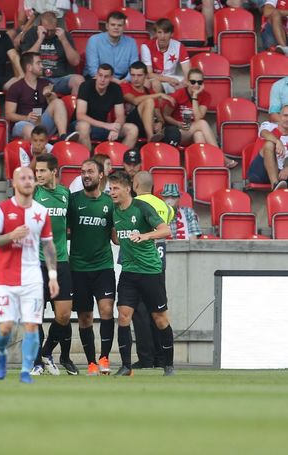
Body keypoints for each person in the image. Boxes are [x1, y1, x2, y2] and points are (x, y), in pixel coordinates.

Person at [0, 166, 59, 384]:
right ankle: (1, 355)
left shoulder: (41, 212)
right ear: (14, 183)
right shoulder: (1, 209)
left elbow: (48, 245)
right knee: (5, 328)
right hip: (5, 277)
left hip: (32, 277)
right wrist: (11, 235)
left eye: (31, 177)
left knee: (31, 325)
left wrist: (53, 275)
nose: (29, 181)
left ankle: (26, 370)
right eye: (23, 178)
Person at [109, 170, 175, 377]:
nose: (112, 192)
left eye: (116, 188)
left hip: (150, 272)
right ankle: (126, 366)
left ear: (128, 189)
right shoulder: (113, 210)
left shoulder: (142, 207)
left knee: (160, 318)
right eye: (110, 188)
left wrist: (145, 236)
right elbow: (117, 239)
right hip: (129, 272)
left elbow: (166, 231)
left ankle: (169, 365)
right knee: (123, 316)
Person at [67, 158, 115, 375]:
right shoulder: (73, 201)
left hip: (103, 266)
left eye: (90, 171)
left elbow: (116, 238)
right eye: (83, 171)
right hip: (78, 268)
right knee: (84, 317)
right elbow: (63, 229)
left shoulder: (110, 203)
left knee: (106, 311)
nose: (86, 175)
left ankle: (105, 358)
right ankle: (91, 362)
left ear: (100, 175)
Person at [30, 154, 75, 376]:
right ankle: (37, 362)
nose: (38, 175)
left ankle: (47, 352)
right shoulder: (33, 194)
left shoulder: (66, 194)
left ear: (54, 172)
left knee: (64, 315)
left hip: (61, 262)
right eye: (36, 171)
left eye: (42, 171)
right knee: (36, 315)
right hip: (37, 261)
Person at [132, 171, 173, 370]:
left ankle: (146, 358)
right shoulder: (164, 206)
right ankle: (162, 357)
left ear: (136, 184)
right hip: (159, 261)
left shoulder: (134, 204)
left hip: (137, 260)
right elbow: (166, 226)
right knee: (158, 312)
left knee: (140, 313)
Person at [163, 68, 238, 168]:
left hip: (193, 130)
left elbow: (198, 117)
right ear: (187, 82)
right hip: (179, 132)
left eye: (199, 82)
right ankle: (221, 157)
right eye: (193, 82)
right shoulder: (179, 94)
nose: (196, 85)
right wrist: (178, 123)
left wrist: (195, 96)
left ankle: (204, 168)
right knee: (202, 124)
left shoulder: (206, 96)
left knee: (199, 135)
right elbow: (166, 115)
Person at [5, 52, 73, 141]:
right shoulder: (16, 87)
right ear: (29, 67)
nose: (42, 66)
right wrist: (25, 117)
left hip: (41, 122)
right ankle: (44, 150)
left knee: (58, 102)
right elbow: (8, 115)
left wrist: (49, 95)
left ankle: (63, 138)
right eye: (38, 63)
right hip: (23, 123)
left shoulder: (45, 84)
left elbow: (56, 107)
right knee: (30, 130)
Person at [70, 63, 139, 150]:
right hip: (79, 125)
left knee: (133, 129)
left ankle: (118, 160)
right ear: (96, 75)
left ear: (111, 78)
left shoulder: (116, 88)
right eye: (100, 75)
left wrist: (115, 129)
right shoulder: (86, 86)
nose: (102, 79)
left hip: (102, 127)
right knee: (84, 126)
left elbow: (120, 116)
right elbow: (80, 116)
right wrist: (106, 125)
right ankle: (89, 161)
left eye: (106, 77)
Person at [20, 10, 83, 96]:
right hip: (39, 78)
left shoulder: (64, 35)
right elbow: (26, 61)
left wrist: (64, 40)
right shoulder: (32, 34)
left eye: (52, 30)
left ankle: (73, 108)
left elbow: (75, 62)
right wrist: (39, 39)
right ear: (40, 26)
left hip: (61, 78)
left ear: (56, 26)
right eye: (46, 30)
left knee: (79, 80)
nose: (49, 33)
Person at [122, 61, 173, 142]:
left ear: (145, 76)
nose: (135, 79)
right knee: (149, 101)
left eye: (139, 75)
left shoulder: (150, 93)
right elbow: (134, 101)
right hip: (130, 124)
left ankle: (153, 138)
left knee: (171, 133)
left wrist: (159, 123)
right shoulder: (124, 86)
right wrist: (159, 94)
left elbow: (159, 116)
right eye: (133, 75)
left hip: (146, 126)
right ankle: (151, 138)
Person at [84, 10, 138, 82]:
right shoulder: (94, 40)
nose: (116, 28)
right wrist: (113, 81)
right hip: (98, 79)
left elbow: (134, 67)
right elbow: (93, 70)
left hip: (123, 79)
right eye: (113, 25)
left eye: (119, 25)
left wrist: (126, 80)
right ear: (107, 26)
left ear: (124, 27)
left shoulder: (131, 43)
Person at [140, 18, 190, 94]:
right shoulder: (146, 46)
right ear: (155, 34)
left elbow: (188, 72)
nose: (162, 36)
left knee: (190, 83)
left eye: (166, 32)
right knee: (155, 83)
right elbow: (149, 74)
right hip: (155, 78)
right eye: (159, 32)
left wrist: (183, 83)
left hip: (173, 77)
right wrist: (168, 79)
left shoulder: (179, 46)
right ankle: (159, 105)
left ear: (172, 34)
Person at [248, 105, 288, 191]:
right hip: (259, 172)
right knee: (269, 144)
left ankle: (278, 184)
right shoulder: (268, 125)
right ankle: (275, 185)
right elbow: (264, 133)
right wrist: (277, 141)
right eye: (285, 115)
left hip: (281, 173)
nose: (287, 119)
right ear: (279, 116)